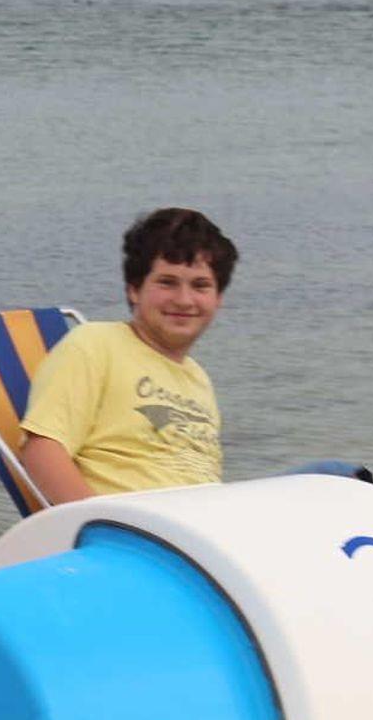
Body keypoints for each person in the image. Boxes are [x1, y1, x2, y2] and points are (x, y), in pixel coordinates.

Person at [18, 207, 236, 505]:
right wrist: (99, 523)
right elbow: (42, 450)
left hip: (202, 521)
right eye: (167, 282)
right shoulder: (95, 345)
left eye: (200, 285)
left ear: (218, 298)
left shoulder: (197, 377)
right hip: (131, 527)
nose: (184, 300)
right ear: (134, 289)